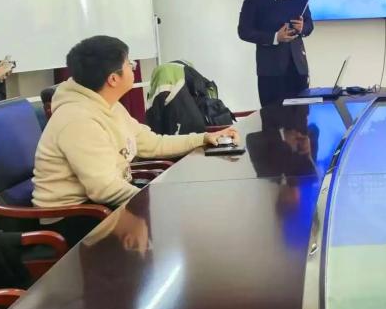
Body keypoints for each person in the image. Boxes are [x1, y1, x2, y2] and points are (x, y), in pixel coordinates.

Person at [33, 36, 238, 245]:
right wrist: (160, 201)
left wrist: (204, 138)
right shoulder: (78, 120)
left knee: (186, 214)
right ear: (113, 79)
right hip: (73, 217)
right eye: (129, 64)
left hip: (100, 203)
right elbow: (104, 189)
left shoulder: (107, 104)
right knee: (177, 227)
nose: (134, 67)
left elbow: (152, 144)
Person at [238, 0, 314, 107]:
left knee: (302, 115)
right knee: (272, 115)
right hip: (270, 69)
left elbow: (309, 25)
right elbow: (244, 31)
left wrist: (302, 27)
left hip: (298, 67)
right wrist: (275, 37)